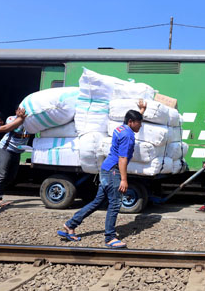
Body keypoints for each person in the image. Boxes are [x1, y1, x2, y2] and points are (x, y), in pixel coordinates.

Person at [57, 101, 147, 248]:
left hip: (106, 169)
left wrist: (141, 111)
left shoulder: (121, 128)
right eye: (139, 123)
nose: (140, 126)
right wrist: (124, 179)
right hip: (114, 171)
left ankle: (70, 224)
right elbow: (122, 159)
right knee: (115, 204)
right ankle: (110, 238)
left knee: (97, 202)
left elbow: (134, 120)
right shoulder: (128, 135)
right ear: (131, 122)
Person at [0, 115, 30, 207]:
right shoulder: (11, 119)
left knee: (11, 177)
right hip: (4, 150)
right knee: (1, 175)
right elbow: (15, 129)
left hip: (16, 152)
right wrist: (21, 119)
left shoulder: (31, 122)